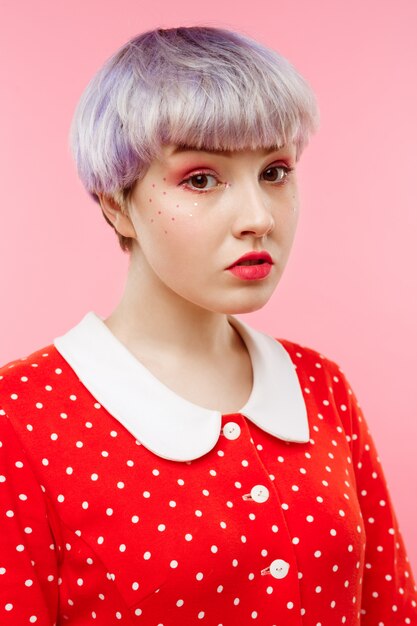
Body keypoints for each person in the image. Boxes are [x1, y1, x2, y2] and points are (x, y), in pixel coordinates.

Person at [0, 26, 416, 626]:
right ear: (117, 204)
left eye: (275, 172)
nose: (257, 218)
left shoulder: (321, 388)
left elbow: (390, 610)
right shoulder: (21, 418)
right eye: (201, 179)